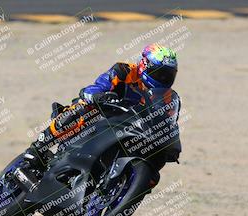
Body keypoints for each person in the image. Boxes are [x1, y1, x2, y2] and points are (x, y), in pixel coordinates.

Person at [25, 44, 179, 169]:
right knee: (83, 107)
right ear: (145, 65)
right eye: (160, 73)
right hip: (102, 115)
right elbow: (92, 89)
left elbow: (168, 122)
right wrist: (100, 96)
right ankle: (38, 147)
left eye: (168, 75)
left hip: (129, 129)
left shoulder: (166, 97)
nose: (164, 78)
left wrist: (170, 144)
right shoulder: (124, 71)